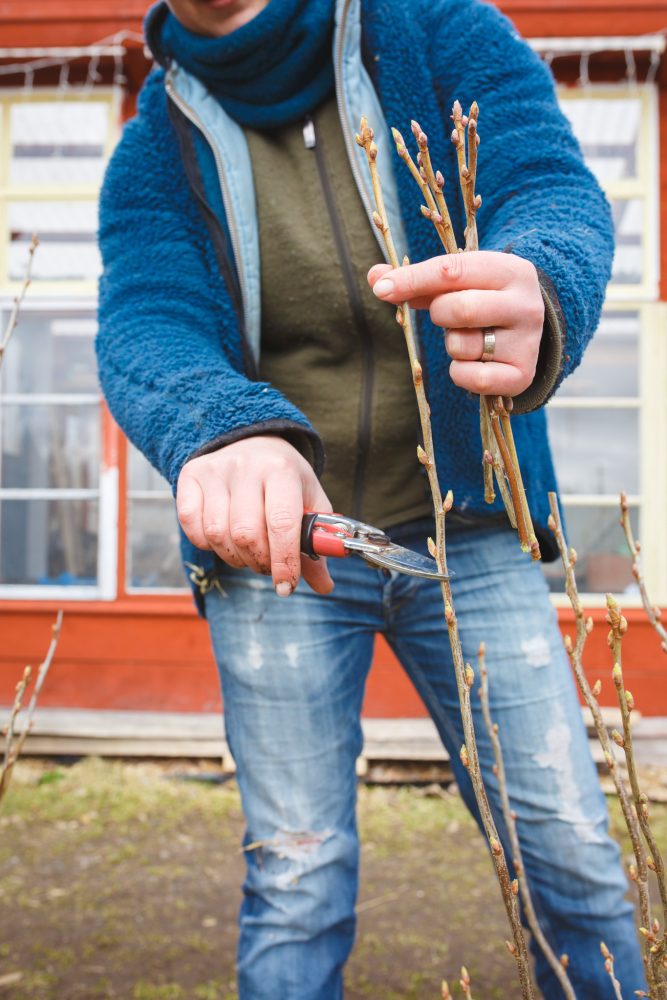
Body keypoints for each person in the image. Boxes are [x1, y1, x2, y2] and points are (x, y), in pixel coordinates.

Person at [96, 0, 647, 996]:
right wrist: (219, 422)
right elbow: (148, 318)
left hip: (472, 529)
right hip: (282, 553)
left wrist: (541, 276)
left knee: (570, 855)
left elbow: (546, 184)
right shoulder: (154, 143)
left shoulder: (434, 28)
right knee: (296, 877)